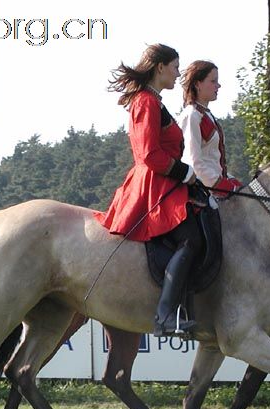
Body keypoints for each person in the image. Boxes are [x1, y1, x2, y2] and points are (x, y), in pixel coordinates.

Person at [94, 44, 200, 337]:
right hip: (153, 186)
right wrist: (184, 171)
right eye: (176, 66)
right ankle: (166, 315)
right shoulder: (146, 102)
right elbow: (149, 155)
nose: (179, 73)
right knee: (190, 240)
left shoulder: (155, 101)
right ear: (160, 67)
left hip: (166, 182)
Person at [178, 60, 241, 195]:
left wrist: (231, 180)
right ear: (197, 84)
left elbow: (212, 161)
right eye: (213, 81)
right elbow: (193, 162)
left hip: (213, 189)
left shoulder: (206, 115)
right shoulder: (191, 116)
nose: (218, 85)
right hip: (203, 192)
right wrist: (223, 186)